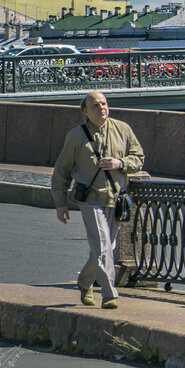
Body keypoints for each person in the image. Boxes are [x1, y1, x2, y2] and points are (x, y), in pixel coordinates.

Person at [51, 90, 144, 309]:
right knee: (102, 246)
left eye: (103, 103)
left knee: (105, 247)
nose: (101, 107)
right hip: (90, 198)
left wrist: (120, 163)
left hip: (116, 198)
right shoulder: (76, 135)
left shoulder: (123, 129)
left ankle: (84, 282)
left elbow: (138, 158)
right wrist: (60, 203)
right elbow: (61, 171)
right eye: (95, 105)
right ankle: (110, 294)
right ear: (85, 111)